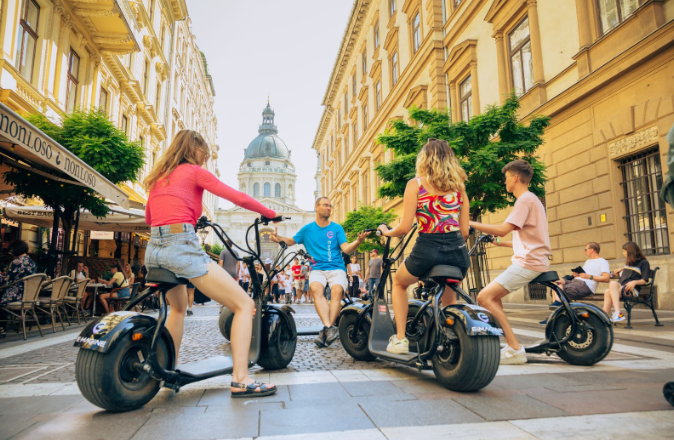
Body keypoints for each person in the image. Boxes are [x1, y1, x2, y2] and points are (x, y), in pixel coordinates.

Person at [142, 129, 277, 397]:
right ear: (195, 149)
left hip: (154, 250)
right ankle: (241, 379)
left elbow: (149, 217)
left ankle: (169, 370)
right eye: (205, 152)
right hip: (182, 246)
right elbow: (237, 197)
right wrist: (271, 213)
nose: (206, 158)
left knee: (178, 308)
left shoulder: (159, 178)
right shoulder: (194, 171)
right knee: (244, 305)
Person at [377, 139, 470, 354]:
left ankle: (400, 339)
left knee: (399, 284)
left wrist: (386, 231)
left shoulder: (416, 184)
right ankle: (454, 339)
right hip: (458, 251)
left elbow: (404, 227)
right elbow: (464, 232)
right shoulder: (460, 188)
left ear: (424, 160)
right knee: (450, 297)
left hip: (428, 247)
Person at [470, 159, 551, 365]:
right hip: (532, 259)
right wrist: (501, 244)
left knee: (484, 297)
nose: (504, 183)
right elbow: (526, 237)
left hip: (528, 263)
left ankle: (515, 348)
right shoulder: (533, 200)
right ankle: (510, 344)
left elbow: (503, 228)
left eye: (506, 179)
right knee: (494, 298)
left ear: (515, 178)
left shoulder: (524, 200)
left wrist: (469, 222)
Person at [271, 197, 370, 348]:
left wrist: (358, 241)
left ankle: (326, 329)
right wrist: (278, 238)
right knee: (317, 289)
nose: (328, 208)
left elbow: (346, 249)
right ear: (316, 207)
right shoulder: (307, 229)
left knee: (336, 291)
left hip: (337, 268)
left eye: (330, 206)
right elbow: (290, 241)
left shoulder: (337, 228)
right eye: (325, 205)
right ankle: (329, 328)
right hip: (317, 268)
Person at [539, 242, 610, 325]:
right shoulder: (588, 261)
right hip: (575, 282)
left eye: (586, 249)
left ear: (592, 250)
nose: (585, 251)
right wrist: (576, 275)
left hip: (585, 285)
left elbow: (606, 278)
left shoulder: (602, 261)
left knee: (559, 291)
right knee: (556, 281)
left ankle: (554, 316)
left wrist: (589, 276)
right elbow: (583, 275)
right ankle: (556, 312)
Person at [603, 242, 650, 323]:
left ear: (630, 251)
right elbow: (629, 274)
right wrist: (622, 269)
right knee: (611, 285)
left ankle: (616, 314)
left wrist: (634, 282)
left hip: (632, 289)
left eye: (624, 251)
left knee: (608, 292)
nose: (623, 253)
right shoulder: (629, 263)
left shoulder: (644, 262)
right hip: (622, 287)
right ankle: (604, 316)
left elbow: (645, 280)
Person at [0, 240, 37, 337]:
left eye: (11, 249)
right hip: (27, 295)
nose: (10, 252)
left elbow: (6, 281)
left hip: (16, 294)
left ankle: (1, 328)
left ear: (16, 249)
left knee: (1, 298)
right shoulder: (31, 262)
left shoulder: (16, 262)